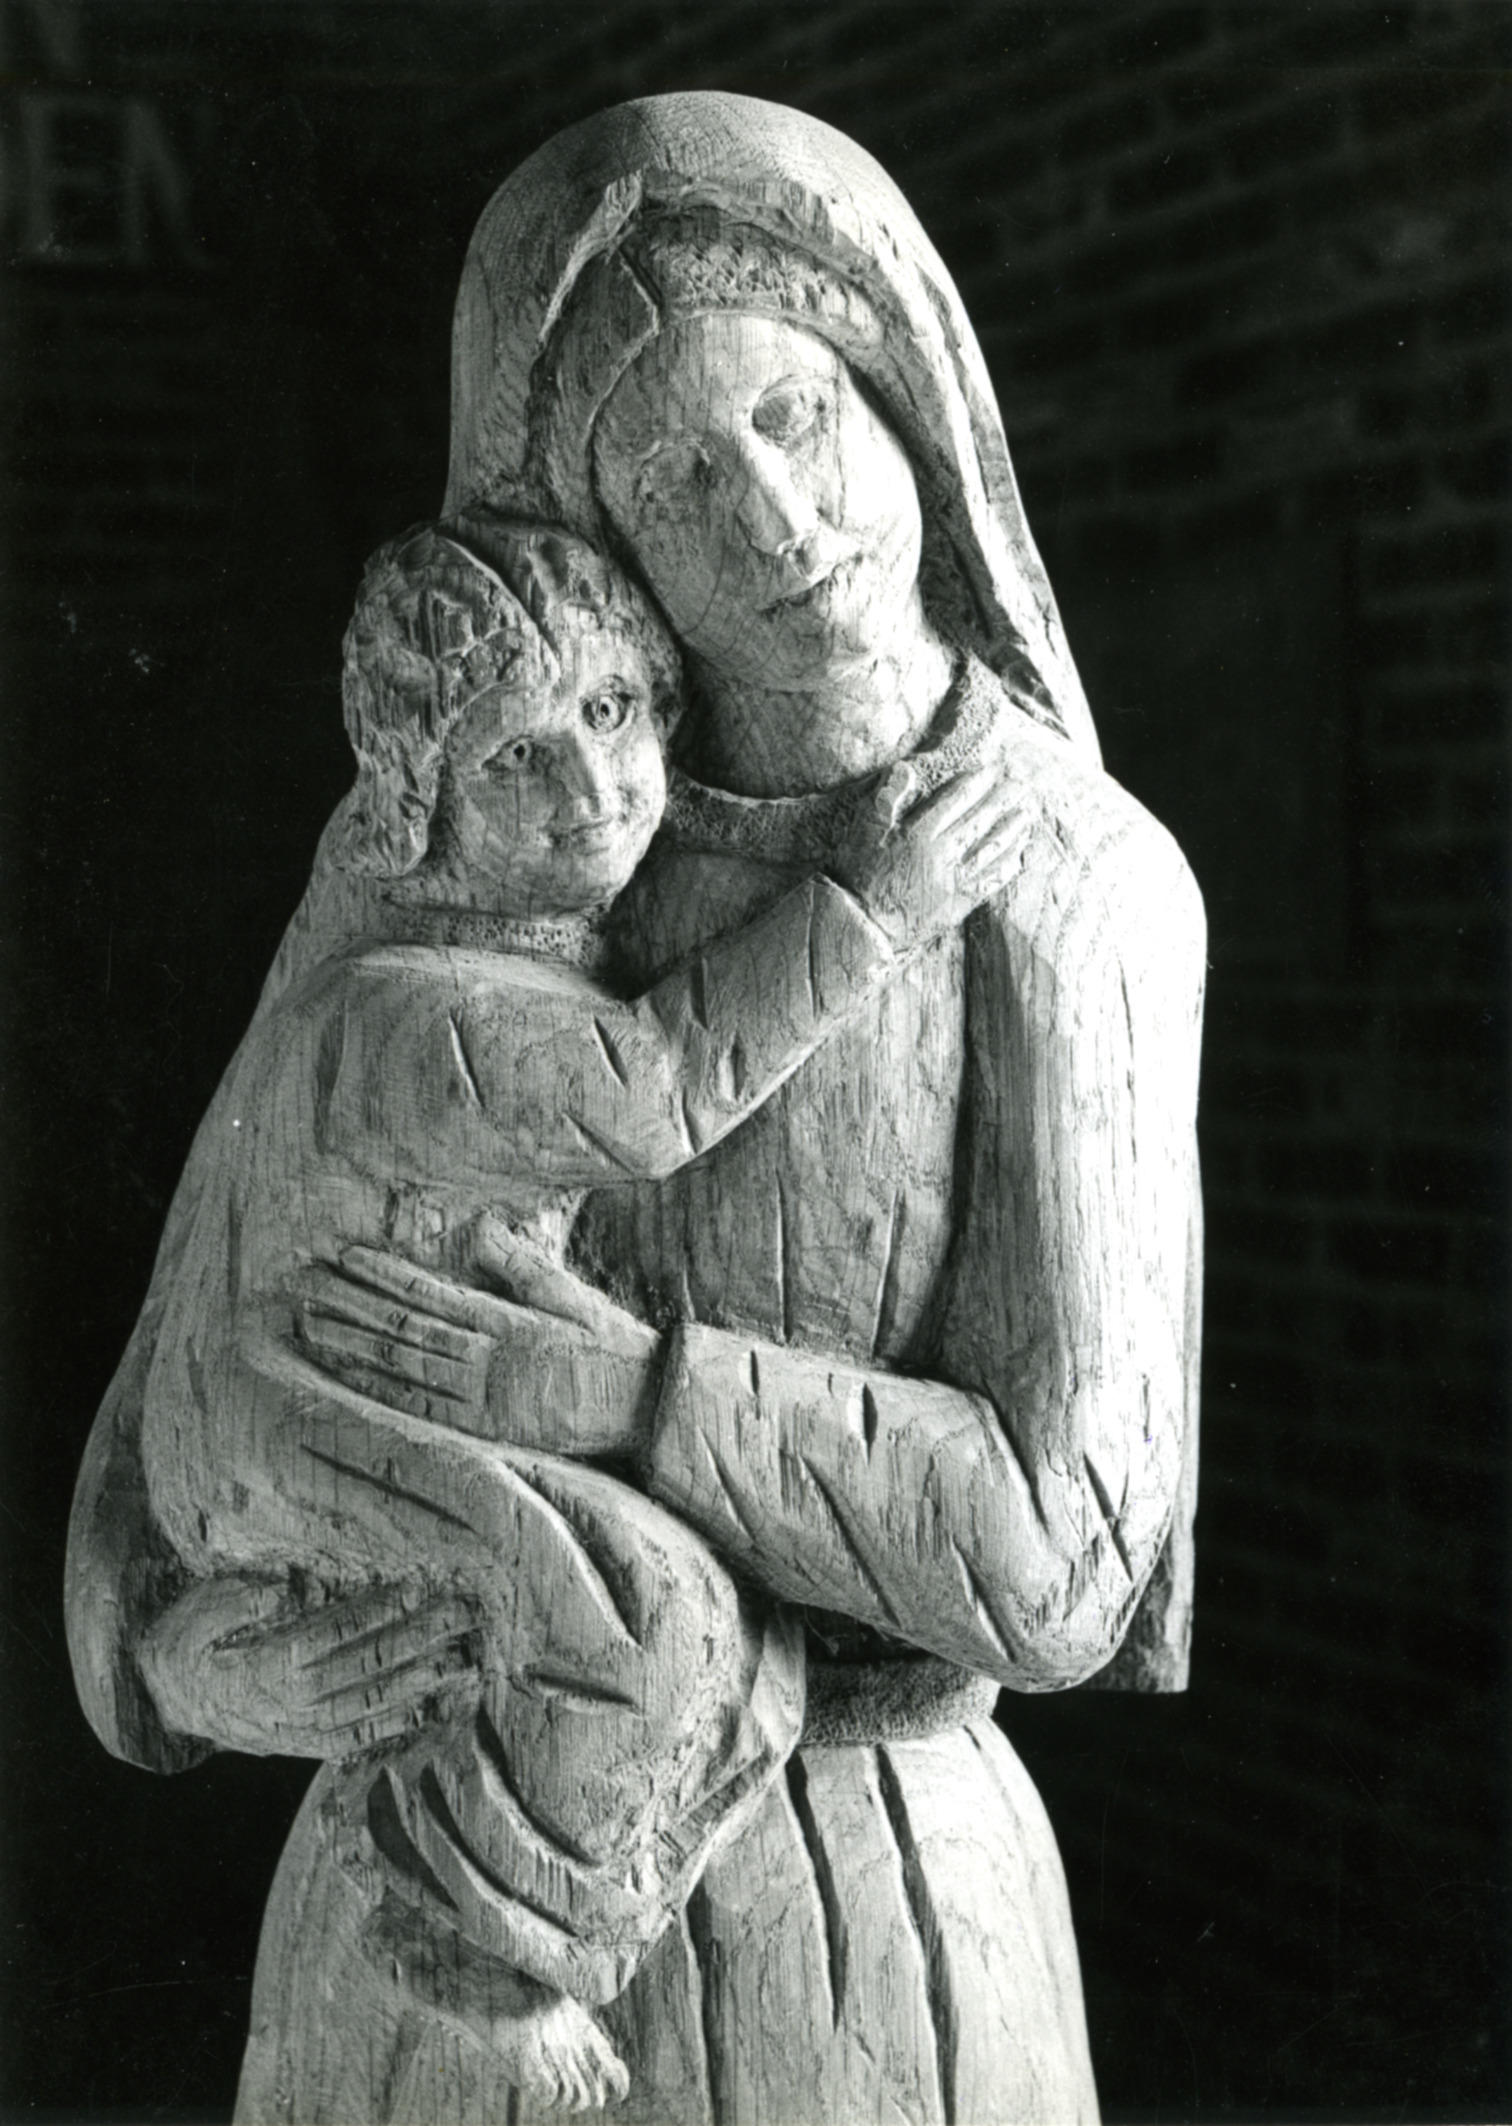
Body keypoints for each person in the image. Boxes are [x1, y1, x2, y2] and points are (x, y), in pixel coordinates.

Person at [68, 95, 1205, 2126]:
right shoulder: (499, 844)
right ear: (590, 526)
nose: (773, 521)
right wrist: (175, 1655)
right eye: (677, 478)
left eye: (798, 417)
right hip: (410, 1892)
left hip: (856, 1911)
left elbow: (1061, 1562)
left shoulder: (1061, 876)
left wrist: (626, 1393)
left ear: (907, 401)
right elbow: (184, 1377)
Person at [133, 510, 1030, 2112]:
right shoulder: (415, 1004)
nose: (596, 788)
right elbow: (658, 1087)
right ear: (422, 808)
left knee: (692, 1629)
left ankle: (536, 1912)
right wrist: (880, 902)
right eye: (518, 760)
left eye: (613, 711)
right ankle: (484, 1961)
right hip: (301, 1402)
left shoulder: (502, 949)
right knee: (643, 1615)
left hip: (381, 1387)